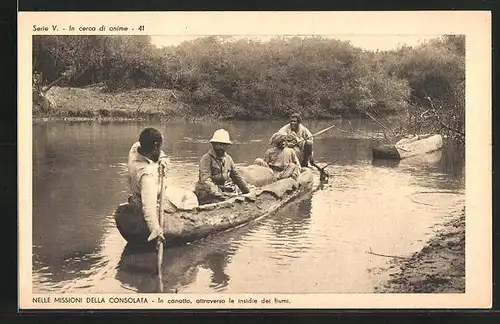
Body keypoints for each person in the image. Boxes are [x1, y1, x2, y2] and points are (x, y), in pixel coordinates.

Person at [127, 127, 170, 244]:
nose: (161, 150)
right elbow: (149, 207)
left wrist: (162, 160)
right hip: (149, 200)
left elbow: (161, 154)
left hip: (136, 196)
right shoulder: (147, 175)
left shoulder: (135, 148)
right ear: (155, 146)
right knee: (190, 199)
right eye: (160, 147)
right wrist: (156, 230)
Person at [194, 129, 250, 205]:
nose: (221, 147)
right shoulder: (206, 159)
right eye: (219, 144)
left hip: (220, 190)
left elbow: (237, 177)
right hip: (206, 192)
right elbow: (206, 181)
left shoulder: (228, 159)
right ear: (213, 144)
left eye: (224, 145)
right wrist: (220, 195)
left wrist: (247, 192)